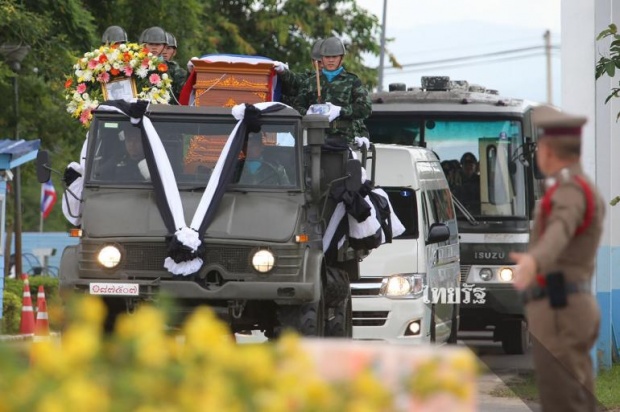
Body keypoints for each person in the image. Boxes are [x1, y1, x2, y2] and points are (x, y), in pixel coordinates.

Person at [509, 105, 604, 412]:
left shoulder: (571, 192)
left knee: (563, 401)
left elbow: (560, 231)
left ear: (548, 150)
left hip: (561, 311)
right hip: (564, 307)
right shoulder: (574, 187)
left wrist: (534, 261)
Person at [294, 36, 372, 148]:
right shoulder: (309, 83)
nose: (331, 60)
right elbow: (297, 108)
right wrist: (308, 113)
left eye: (334, 57)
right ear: (322, 59)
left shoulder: (352, 81)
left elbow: (365, 108)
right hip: (315, 140)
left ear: (342, 58)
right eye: (327, 57)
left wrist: (341, 111)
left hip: (344, 141)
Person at [162, 32, 188, 103]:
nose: (164, 52)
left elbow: (185, 89)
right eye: (162, 48)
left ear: (174, 52)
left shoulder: (179, 72)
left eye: (168, 48)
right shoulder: (145, 67)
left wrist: (190, 73)